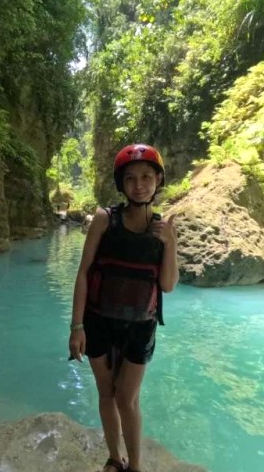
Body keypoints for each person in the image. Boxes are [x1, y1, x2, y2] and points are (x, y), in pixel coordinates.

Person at [68, 144, 179, 472]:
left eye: (147, 177)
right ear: (121, 184)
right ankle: (115, 459)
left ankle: (136, 466)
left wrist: (170, 244)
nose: (139, 184)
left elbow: (169, 285)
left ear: (158, 180)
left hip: (140, 326)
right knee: (107, 393)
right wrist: (76, 327)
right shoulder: (105, 219)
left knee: (126, 397)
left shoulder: (163, 229)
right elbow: (84, 272)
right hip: (98, 321)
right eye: (130, 178)